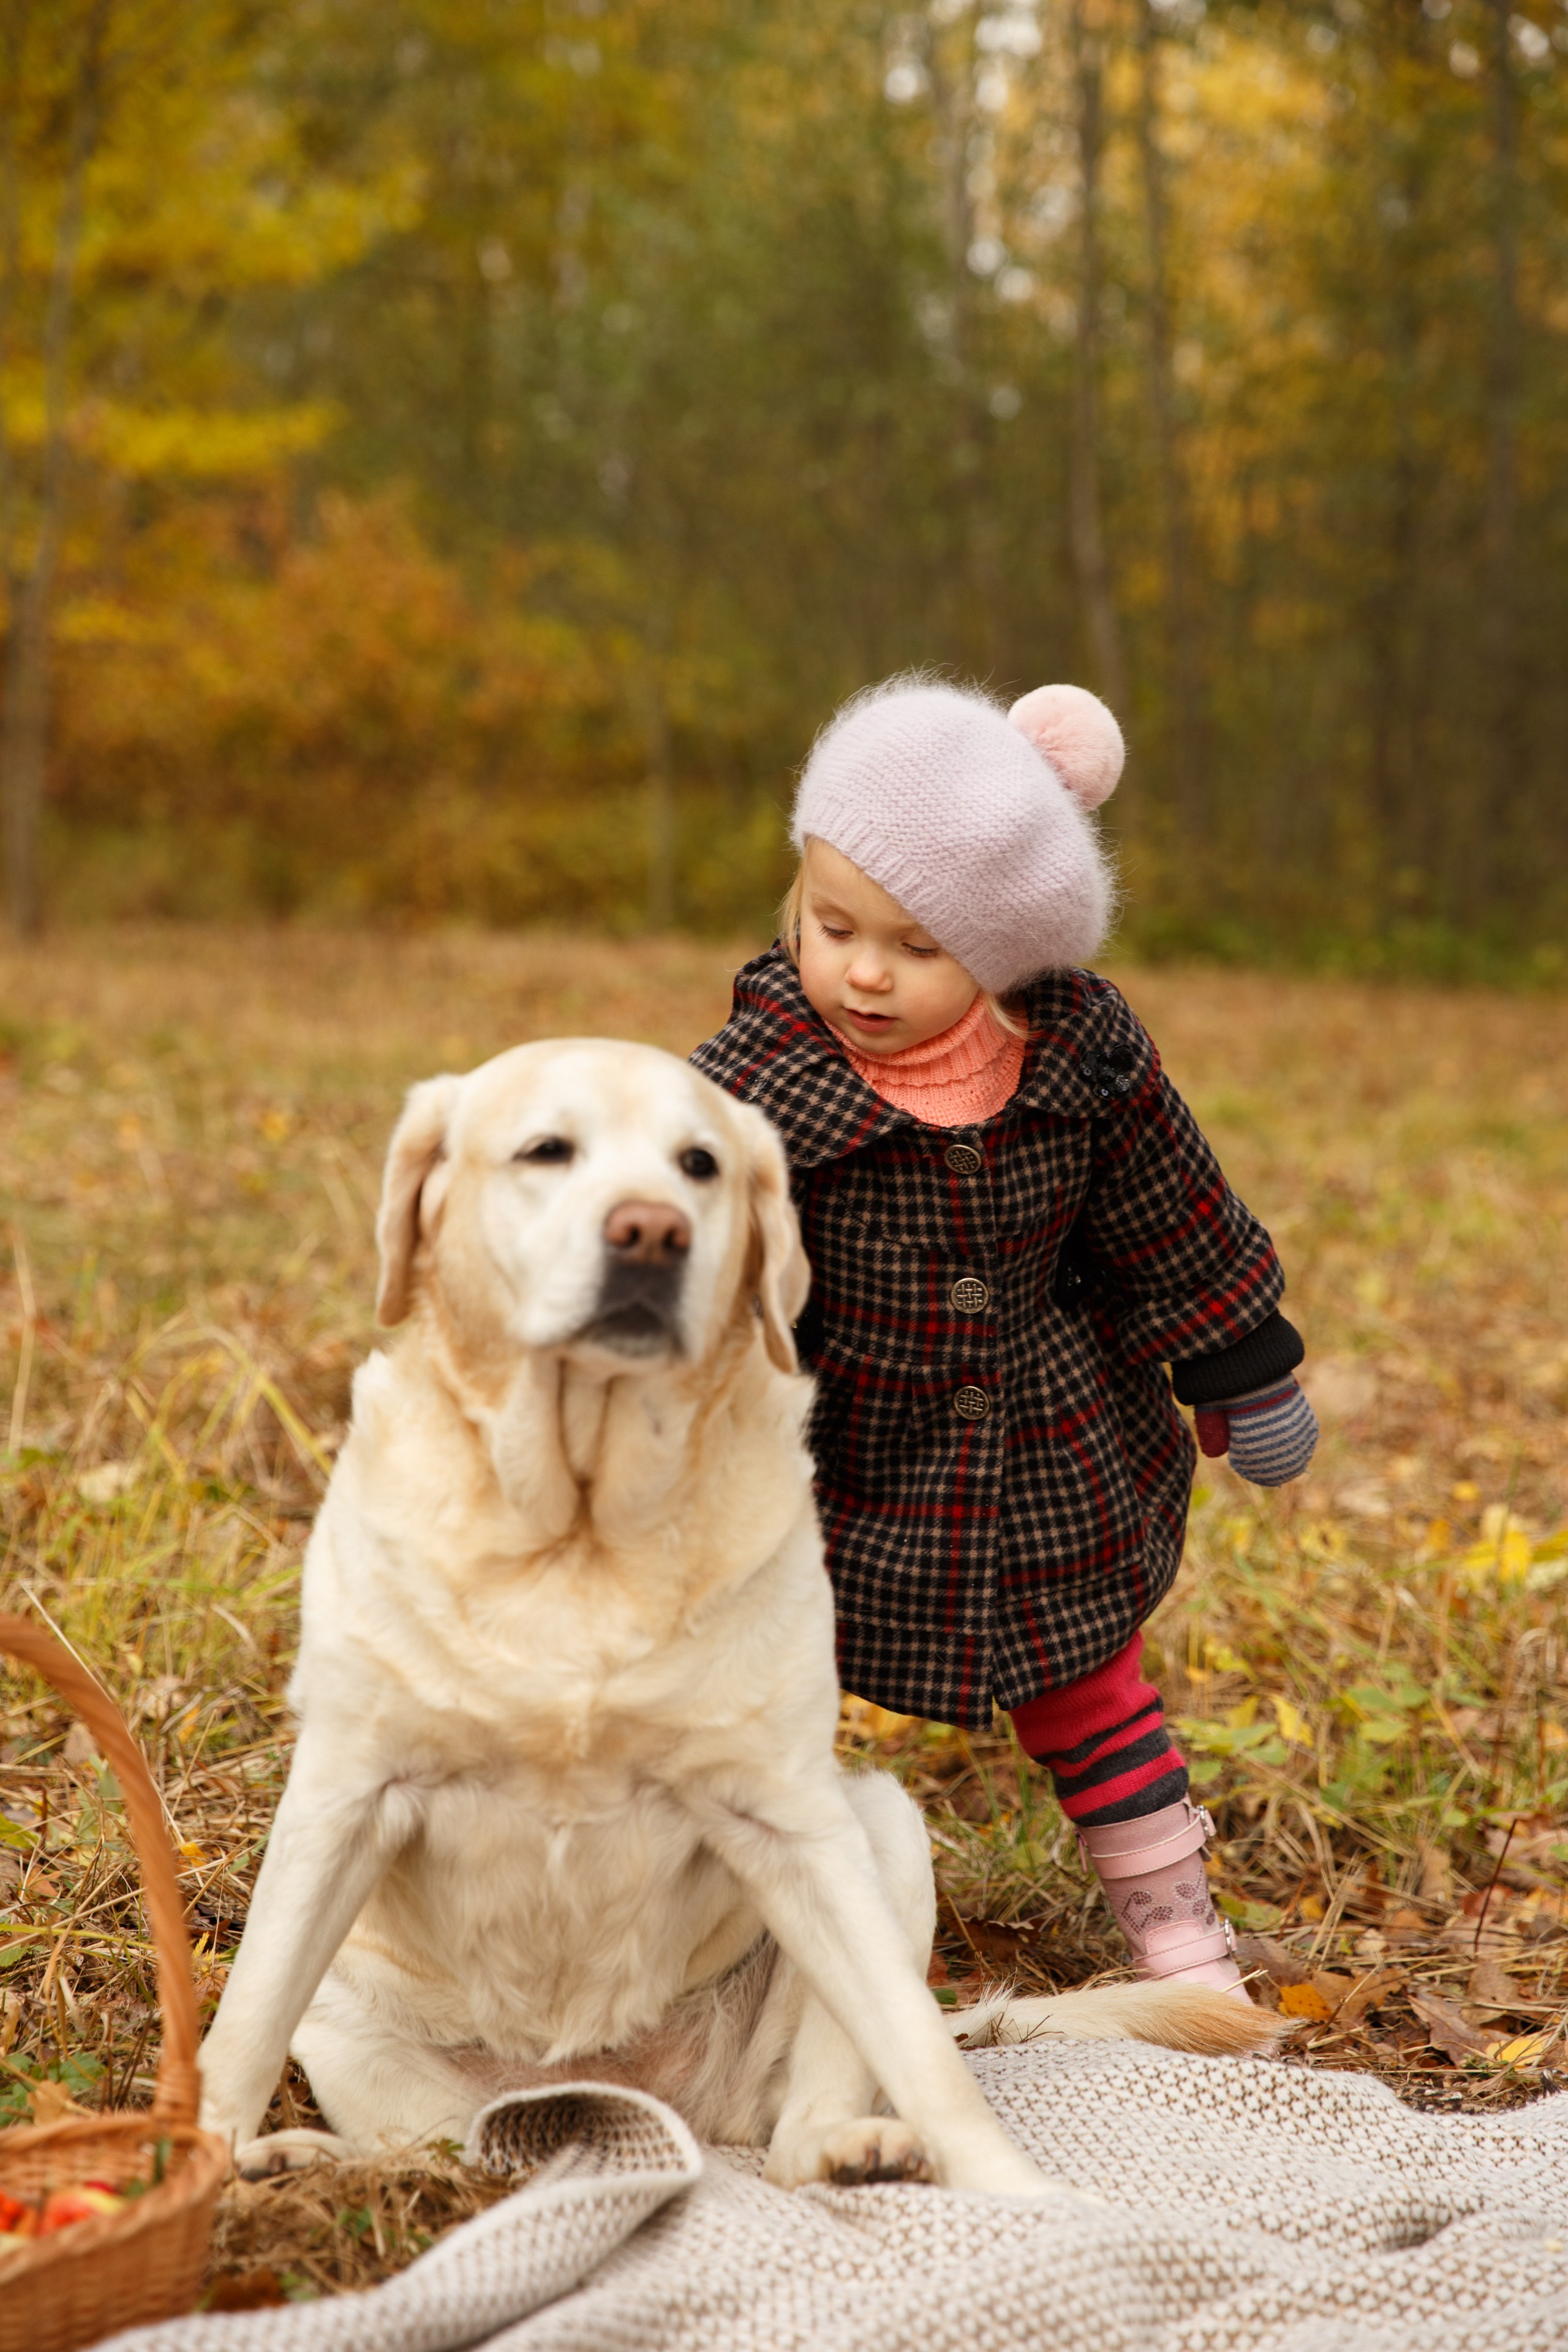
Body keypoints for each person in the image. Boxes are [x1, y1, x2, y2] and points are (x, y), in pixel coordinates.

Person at [690, 674, 1317, 2000]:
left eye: (917, 946)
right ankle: (726, 1911)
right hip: (824, 1458)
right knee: (757, 1683)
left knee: (1090, 1685)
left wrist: (1237, 1361)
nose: (861, 970)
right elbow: (671, 1223)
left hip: (1045, 1447)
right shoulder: (755, 1079)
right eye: (831, 923)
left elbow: (1165, 1209)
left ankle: (1170, 1928)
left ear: (1006, 951)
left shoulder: (1078, 1056)